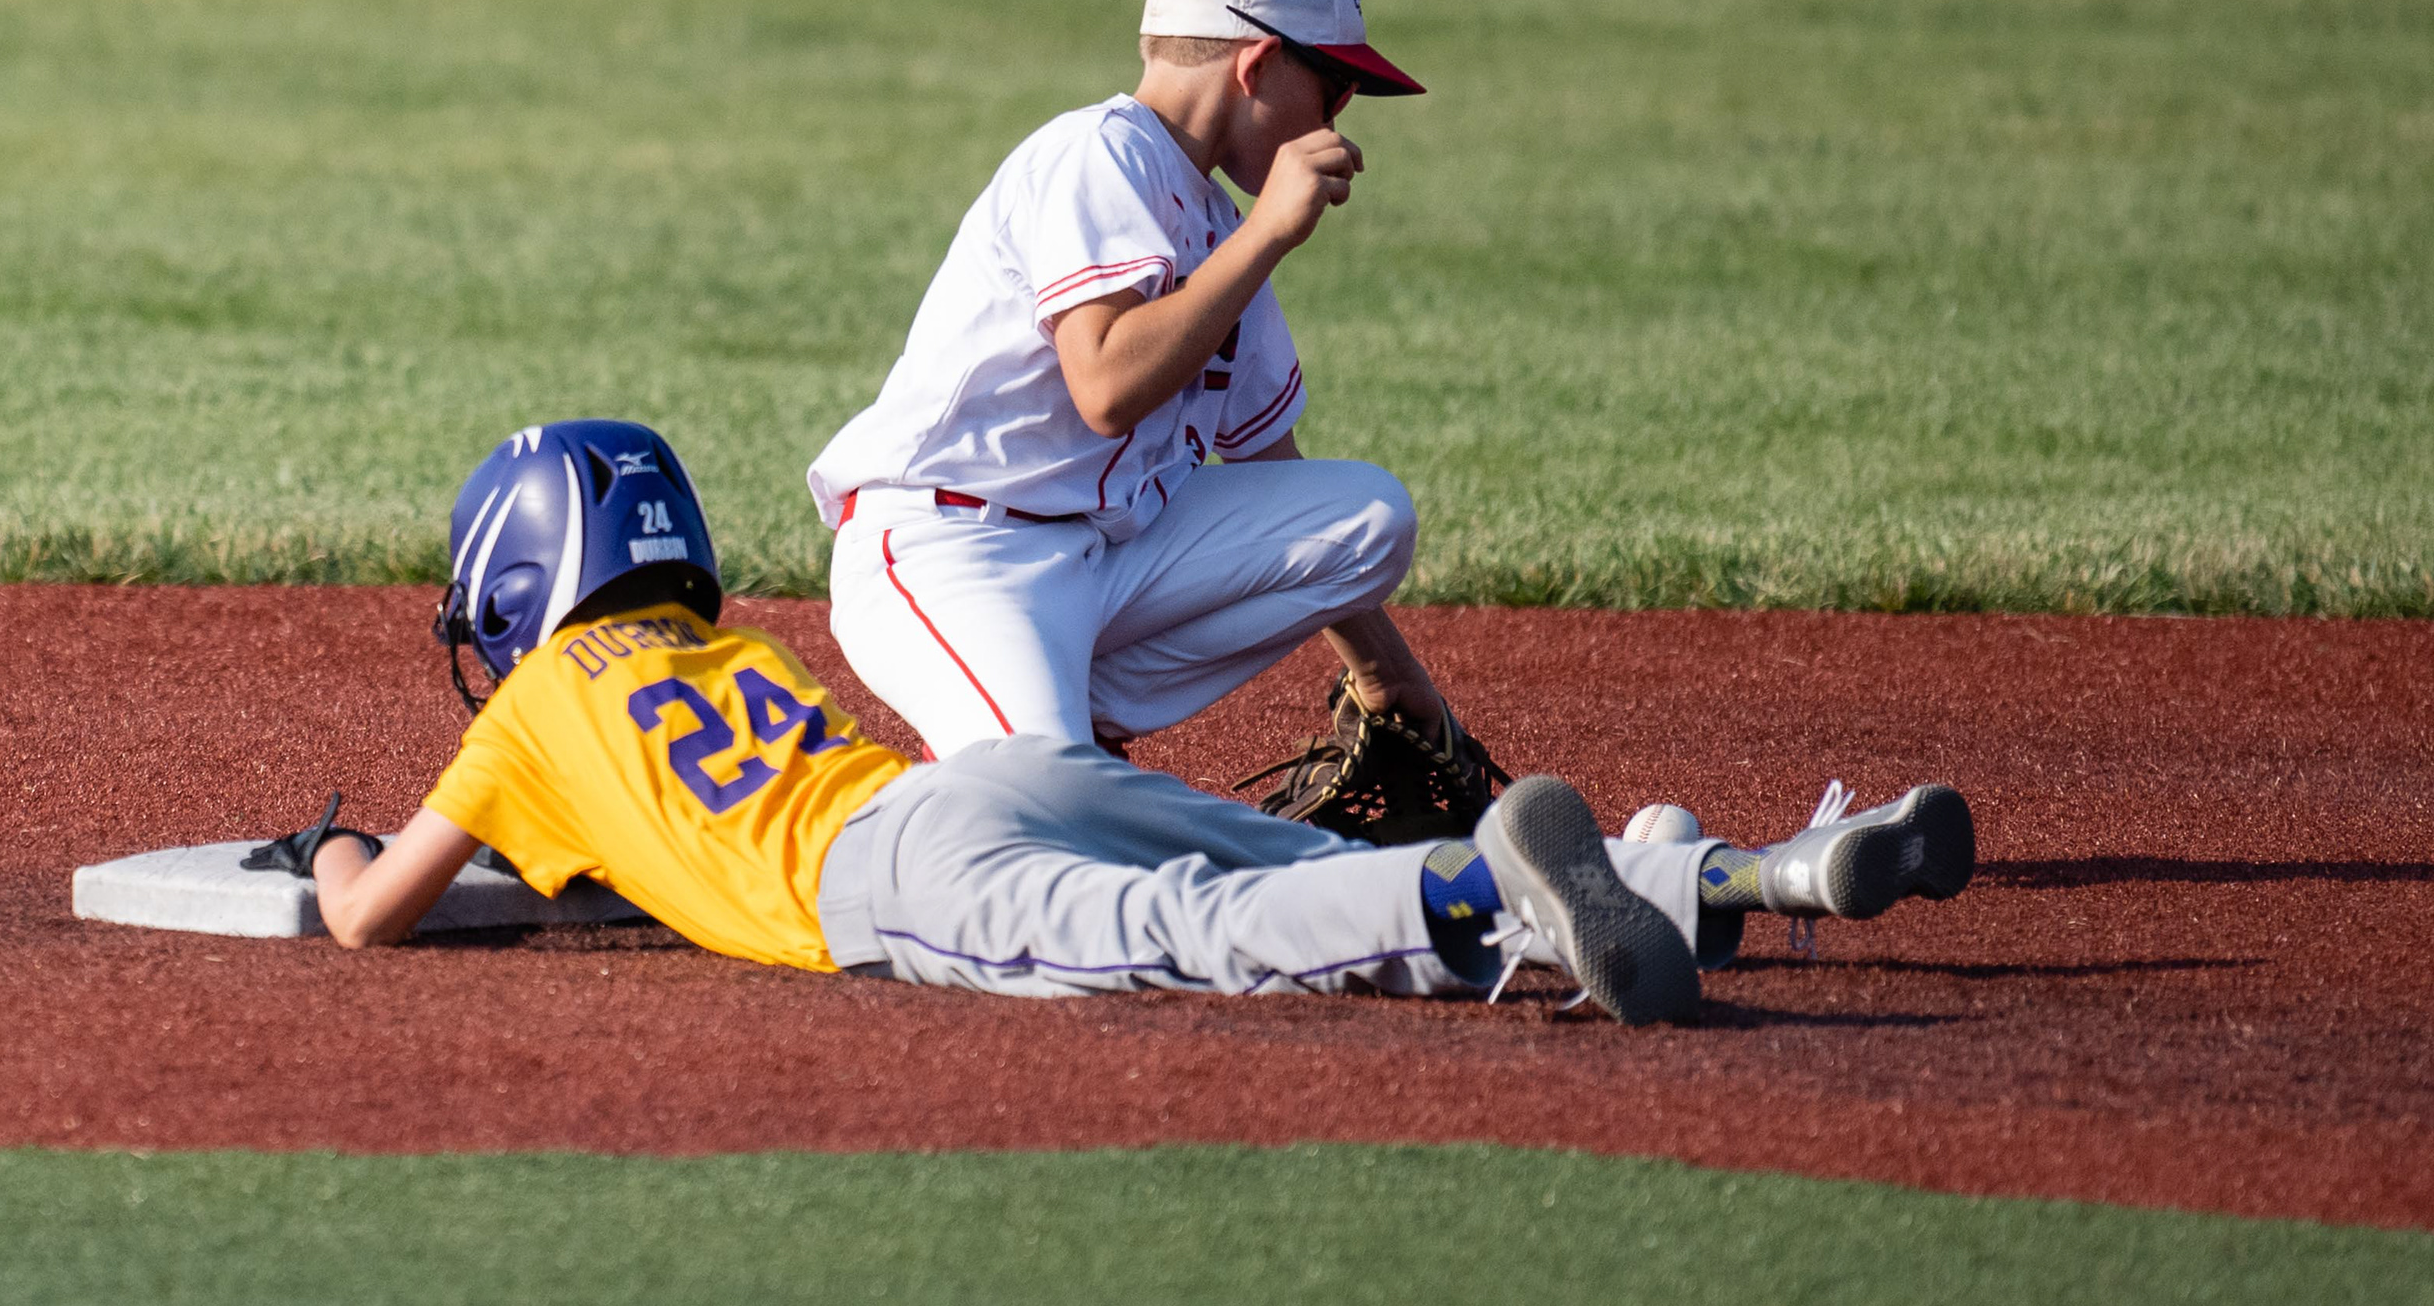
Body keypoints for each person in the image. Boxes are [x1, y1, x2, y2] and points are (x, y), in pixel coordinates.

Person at [264, 422, 1975, 1031]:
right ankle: (1737, 869)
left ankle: (1474, 898)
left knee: (1195, 934)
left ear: (523, 585)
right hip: (994, 773)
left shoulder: (528, 716)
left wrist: (336, 848)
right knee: (1271, 850)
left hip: (890, 886)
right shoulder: (739, 649)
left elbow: (368, 917)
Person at [804, 0, 1492, 816]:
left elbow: (1271, 464)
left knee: (1367, 517)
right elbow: (1106, 387)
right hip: (955, 550)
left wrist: (1390, 679)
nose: (1338, 119)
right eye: (1333, 88)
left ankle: (1058, 706)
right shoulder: (1095, 154)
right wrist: (1267, 233)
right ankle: (987, 771)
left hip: (1099, 564)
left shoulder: (1214, 219)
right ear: (1257, 64)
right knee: (1052, 808)